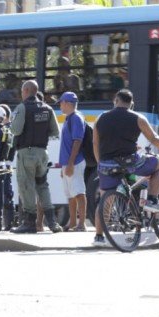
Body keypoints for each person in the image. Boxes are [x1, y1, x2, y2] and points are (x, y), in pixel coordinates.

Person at [93, 89, 159, 246]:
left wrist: (101, 162)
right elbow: (154, 138)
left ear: (116, 100)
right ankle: (152, 199)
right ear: (131, 103)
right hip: (131, 163)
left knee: (105, 200)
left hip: (106, 164)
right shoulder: (138, 118)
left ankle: (99, 237)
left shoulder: (100, 118)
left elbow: (95, 143)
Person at [10, 80, 62, 233]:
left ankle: (29, 223)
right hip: (42, 153)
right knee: (42, 186)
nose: (21, 93)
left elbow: (16, 130)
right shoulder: (47, 108)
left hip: (27, 153)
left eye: (22, 91)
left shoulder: (22, 107)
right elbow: (54, 132)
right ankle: (52, 222)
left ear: (26, 90)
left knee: (26, 187)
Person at [58, 92, 88, 232]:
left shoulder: (76, 118)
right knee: (70, 194)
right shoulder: (68, 118)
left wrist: (70, 164)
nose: (60, 105)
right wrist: (63, 166)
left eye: (62, 102)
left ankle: (82, 223)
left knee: (79, 193)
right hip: (68, 163)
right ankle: (72, 223)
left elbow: (77, 141)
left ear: (68, 103)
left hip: (74, 162)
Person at [0, 103, 16, 230]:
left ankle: (8, 224)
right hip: (8, 165)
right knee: (7, 194)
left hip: (5, 165)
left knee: (6, 195)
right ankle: (8, 223)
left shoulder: (6, 129)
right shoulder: (12, 128)